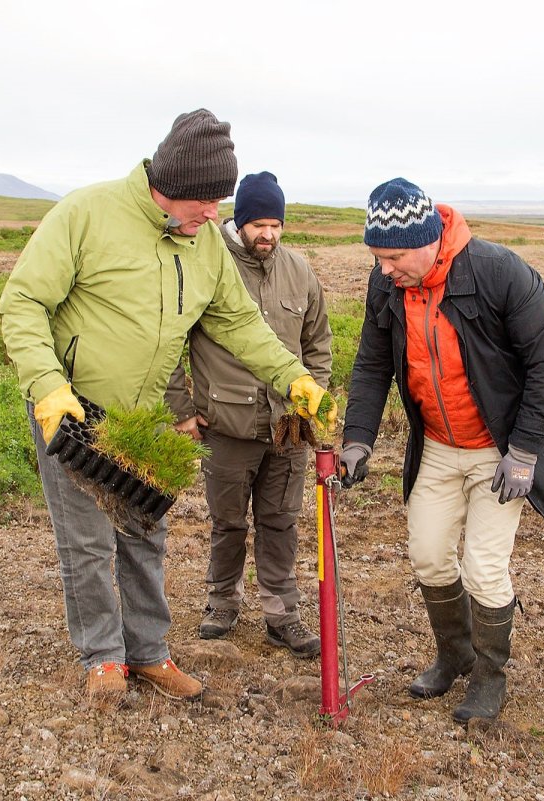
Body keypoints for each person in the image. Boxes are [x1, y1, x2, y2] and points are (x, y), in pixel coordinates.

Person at [0, 110, 333, 710]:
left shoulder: (204, 244)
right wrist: (48, 385)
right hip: (74, 412)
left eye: (218, 202)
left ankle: (149, 653)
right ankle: (102, 658)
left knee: (144, 534)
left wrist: (293, 376)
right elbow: (21, 301)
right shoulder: (86, 214)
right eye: (206, 201)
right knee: (89, 541)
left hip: (144, 417)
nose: (214, 215)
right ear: (170, 183)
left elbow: (239, 323)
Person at [338, 178, 544, 724]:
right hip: (440, 450)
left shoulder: (499, 273)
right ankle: (456, 655)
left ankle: (491, 680)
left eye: (393, 256)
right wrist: (358, 438)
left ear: (429, 241)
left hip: (501, 451)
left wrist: (523, 452)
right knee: (427, 553)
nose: (384, 269)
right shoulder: (389, 289)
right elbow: (372, 366)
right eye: (377, 257)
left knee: (484, 567)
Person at [166, 171, 332, 659]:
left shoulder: (300, 272)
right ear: (239, 222)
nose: (269, 234)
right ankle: (222, 604)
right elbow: (172, 343)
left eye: (276, 224)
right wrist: (183, 409)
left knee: (281, 522)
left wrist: (311, 401)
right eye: (258, 223)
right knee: (229, 522)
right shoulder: (207, 267)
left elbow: (318, 344)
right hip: (227, 428)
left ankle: (282, 614)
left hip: (287, 432)